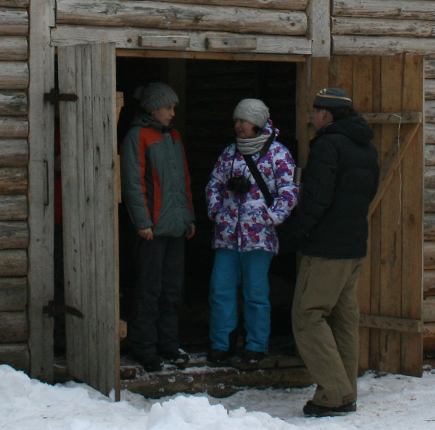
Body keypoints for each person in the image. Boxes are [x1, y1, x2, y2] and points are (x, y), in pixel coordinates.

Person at [282, 87, 379, 417]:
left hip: (326, 248)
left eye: (315, 111)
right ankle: (346, 391)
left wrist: (295, 233)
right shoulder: (365, 146)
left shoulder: (328, 144)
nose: (312, 117)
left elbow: (317, 198)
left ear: (326, 114)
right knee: (342, 319)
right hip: (353, 245)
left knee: (307, 315)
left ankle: (333, 394)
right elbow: (368, 192)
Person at [205, 98, 299, 364]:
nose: (238, 126)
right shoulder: (229, 153)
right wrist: (217, 211)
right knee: (221, 291)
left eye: (243, 121)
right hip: (226, 236)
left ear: (256, 123)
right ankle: (221, 345)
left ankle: (257, 346)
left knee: (256, 294)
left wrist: (269, 217)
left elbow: (290, 190)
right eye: (236, 121)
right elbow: (213, 184)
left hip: (259, 237)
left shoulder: (277, 154)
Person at [121, 82, 195, 372]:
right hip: (151, 230)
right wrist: (142, 222)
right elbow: (133, 182)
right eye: (168, 108)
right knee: (149, 291)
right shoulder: (138, 136)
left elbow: (184, 181)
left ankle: (169, 345)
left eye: (173, 108)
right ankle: (144, 347)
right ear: (153, 108)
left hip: (175, 228)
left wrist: (188, 217)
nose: (172, 113)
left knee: (172, 291)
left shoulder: (174, 137)